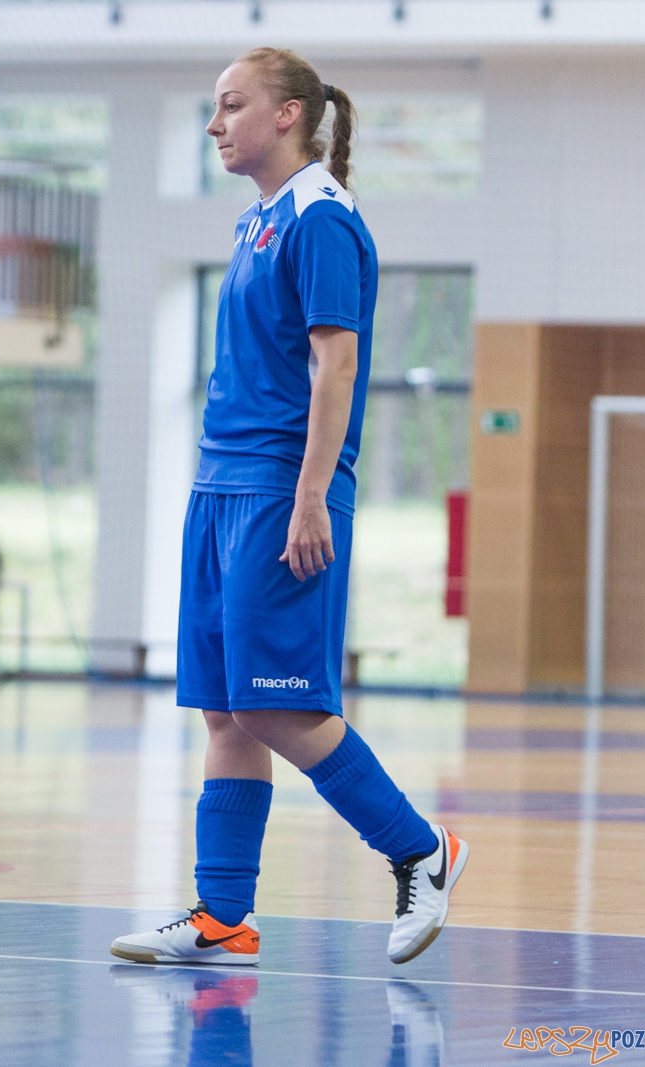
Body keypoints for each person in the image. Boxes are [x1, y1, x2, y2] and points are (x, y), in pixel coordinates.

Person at [109, 49, 468, 969]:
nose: (214, 123)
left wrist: (312, 494)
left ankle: (421, 848)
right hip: (220, 484)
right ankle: (222, 915)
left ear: (288, 114)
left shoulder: (321, 218)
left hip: (281, 487)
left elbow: (335, 364)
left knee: (279, 707)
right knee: (229, 713)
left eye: (232, 106)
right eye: (212, 108)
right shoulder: (255, 221)